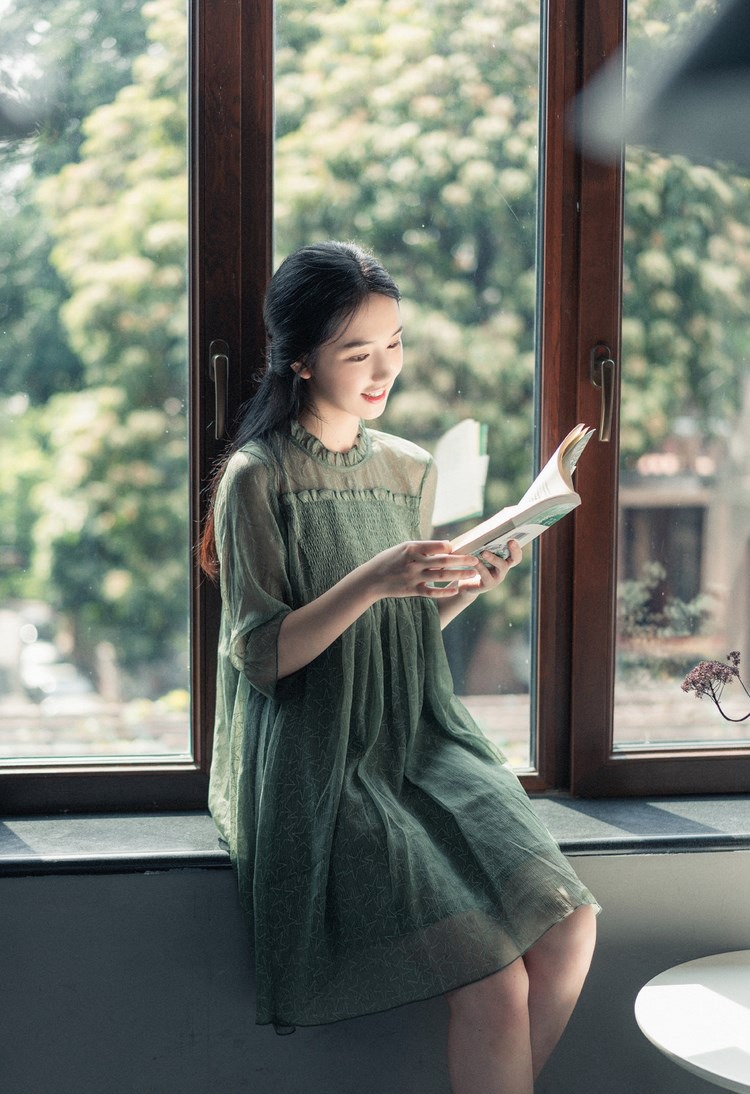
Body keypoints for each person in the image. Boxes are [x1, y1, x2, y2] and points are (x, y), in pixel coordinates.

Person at [200, 240, 598, 1094]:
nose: (384, 369)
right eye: (357, 351)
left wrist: (472, 579)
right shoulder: (255, 480)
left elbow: (403, 628)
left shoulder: (409, 467)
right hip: (323, 755)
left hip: (417, 731)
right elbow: (262, 656)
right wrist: (373, 578)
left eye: (395, 342)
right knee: (495, 987)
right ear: (301, 360)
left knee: (569, 927)